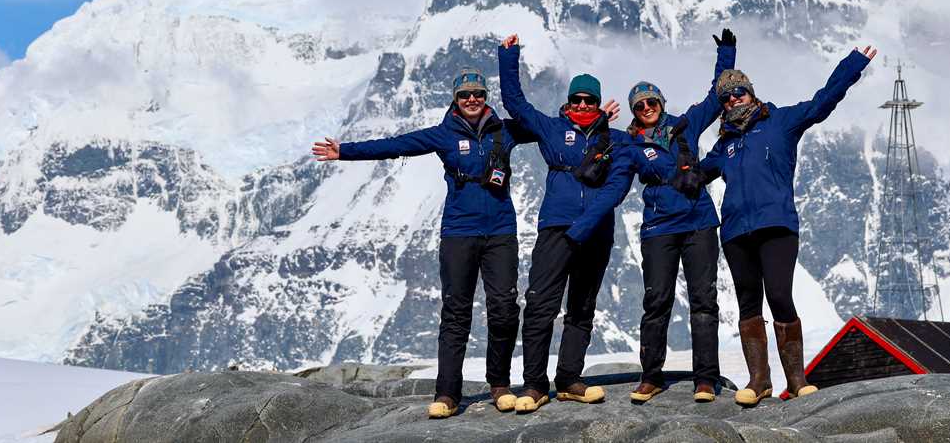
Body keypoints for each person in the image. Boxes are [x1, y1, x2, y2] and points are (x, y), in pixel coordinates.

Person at [311, 67, 532, 420]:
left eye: (478, 94)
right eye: (465, 95)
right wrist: (345, 151)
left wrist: (594, 122)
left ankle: (500, 385)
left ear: (485, 97)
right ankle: (447, 394)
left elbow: (550, 129)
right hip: (459, 233)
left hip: (501, 232)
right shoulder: (443, 134)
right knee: (456, 312)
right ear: (455, 101)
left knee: (504, 309)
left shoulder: (506, 131)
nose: (472, 100)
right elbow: (395, 145)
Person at [700, 46, 876, 405]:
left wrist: (853, 64)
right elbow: (695, 176)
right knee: (749, 303)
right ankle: (759, 381)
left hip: (777, 226)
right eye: (727, 97)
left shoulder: (781, 122)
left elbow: (822, 103)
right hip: (735, 232)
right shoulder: (724, 145)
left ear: (751, 92)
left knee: (779, 296)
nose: (734, 99)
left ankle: (797, 381)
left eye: (739, 92)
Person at [497, 34, 634, 413]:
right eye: (577, 99)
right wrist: (508, 57)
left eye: (590, 100)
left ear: (598, 103)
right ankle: (535, 384)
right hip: (556, 228)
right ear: (569, 101)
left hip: (596, 231)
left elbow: (623, 181)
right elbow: (515, 104)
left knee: (581, 308)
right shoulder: (550, 128)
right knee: (540, 304)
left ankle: (570, 379)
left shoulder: (615, 140)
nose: (583, 105)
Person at [624, 28, 736, 404]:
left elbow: (714, 99)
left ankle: (705, 379)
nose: (646, 108)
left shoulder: (685, 125)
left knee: (704, 301)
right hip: (658, 228)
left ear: (660, 101)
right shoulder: (628, 143)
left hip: (699, 223)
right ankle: (651, 376)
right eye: (639, 106)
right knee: (657, 302)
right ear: (634, 113)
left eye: (650, 101)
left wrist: (727, 55)